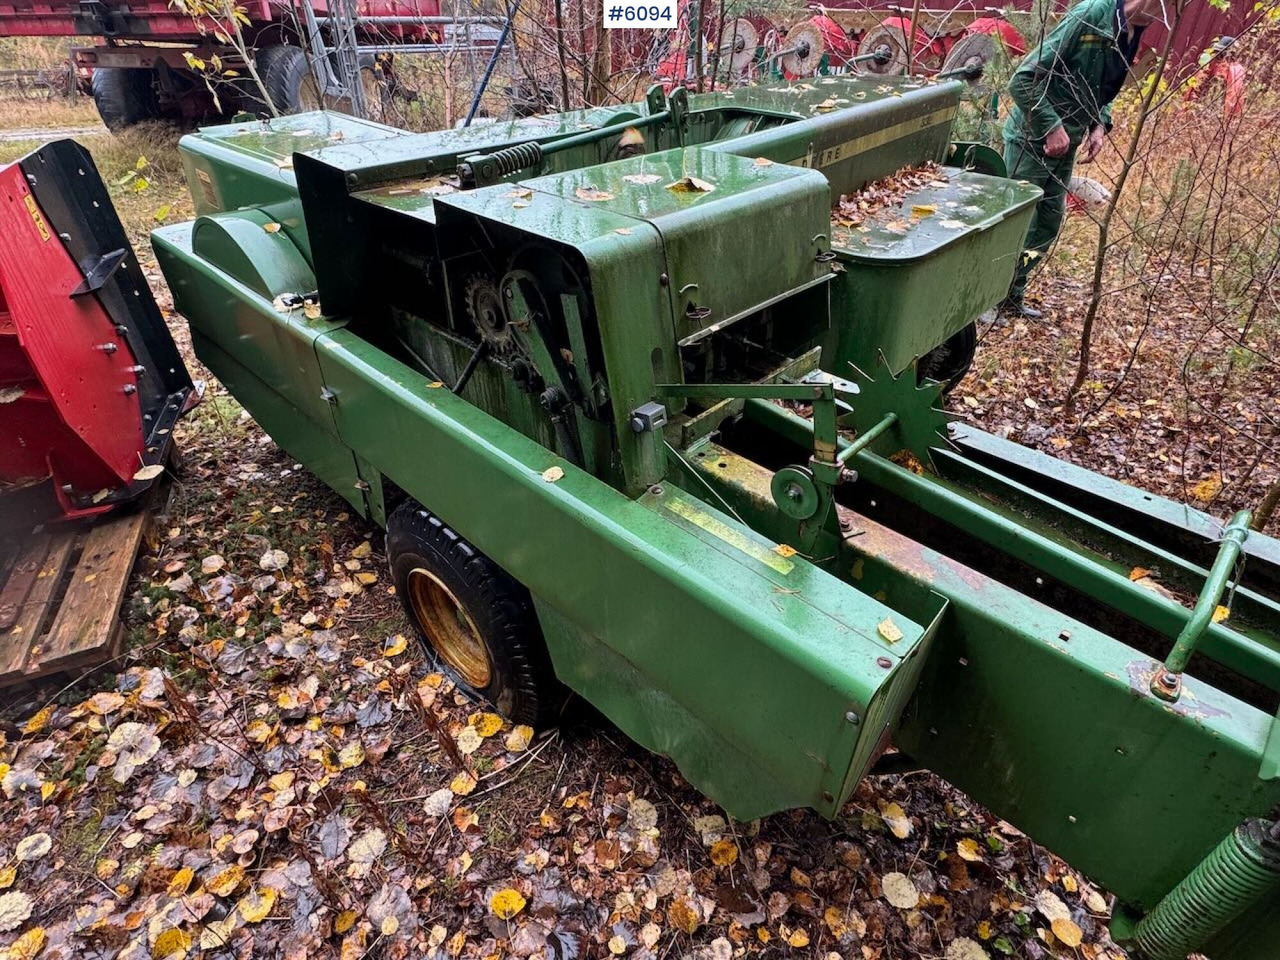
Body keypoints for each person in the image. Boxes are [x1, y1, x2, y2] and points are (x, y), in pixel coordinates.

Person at [1000, 0, 1167, 318]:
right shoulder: (1092, 15)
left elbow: (1099, 86)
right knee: (1011, 227)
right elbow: (1022, 79)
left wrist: (1099, 123)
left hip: (1067, 143)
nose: (1167, 15)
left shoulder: (1132, 31)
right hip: (1030, 140)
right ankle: (984, 301)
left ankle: (1009, 295)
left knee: (1047, 224)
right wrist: (1050, 126)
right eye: (1166, 5)